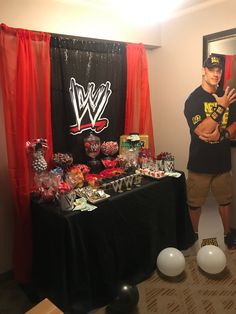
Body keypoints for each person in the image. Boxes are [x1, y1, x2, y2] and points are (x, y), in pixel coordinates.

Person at [184, 55, 236, 249]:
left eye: (219, 70)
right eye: (212, 69)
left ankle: (228, 235)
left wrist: (222, 134)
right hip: (200, 163)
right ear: (203, 71)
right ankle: (194, 235)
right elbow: (203, 131)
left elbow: (234, 124)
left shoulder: (227, 95)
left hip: (222, 163)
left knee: (225, 201)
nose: (216, 73)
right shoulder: (194, 100)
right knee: (195, 204)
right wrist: (221, 106)